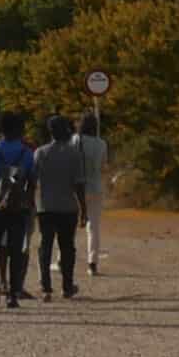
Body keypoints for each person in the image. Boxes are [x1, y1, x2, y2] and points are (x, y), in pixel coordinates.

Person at [0, 112, 35, 310]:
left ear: (0, 129)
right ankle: (13, 295)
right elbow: (32, 182)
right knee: (16, 251)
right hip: (19, 208)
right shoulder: (27, 153)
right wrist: (27, 202)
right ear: (20, 129)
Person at [31, 114, 86, 302]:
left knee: (45, 245)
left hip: (45, 206)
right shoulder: (74, 153)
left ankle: (45, 287)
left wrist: (31, 203)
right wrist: (84, 209)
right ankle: (67, 286)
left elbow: (32, 181)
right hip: (68, 207)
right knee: (67, 247)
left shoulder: (40, 152)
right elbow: (79, 184)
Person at [74, 112, 108, 277]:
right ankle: (92, 263)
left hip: (76, 188)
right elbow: (103, 165)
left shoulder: (75, 140)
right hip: (96, 187)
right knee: (93, 228)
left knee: (69, 224)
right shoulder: (101, 143)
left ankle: (61, 259)